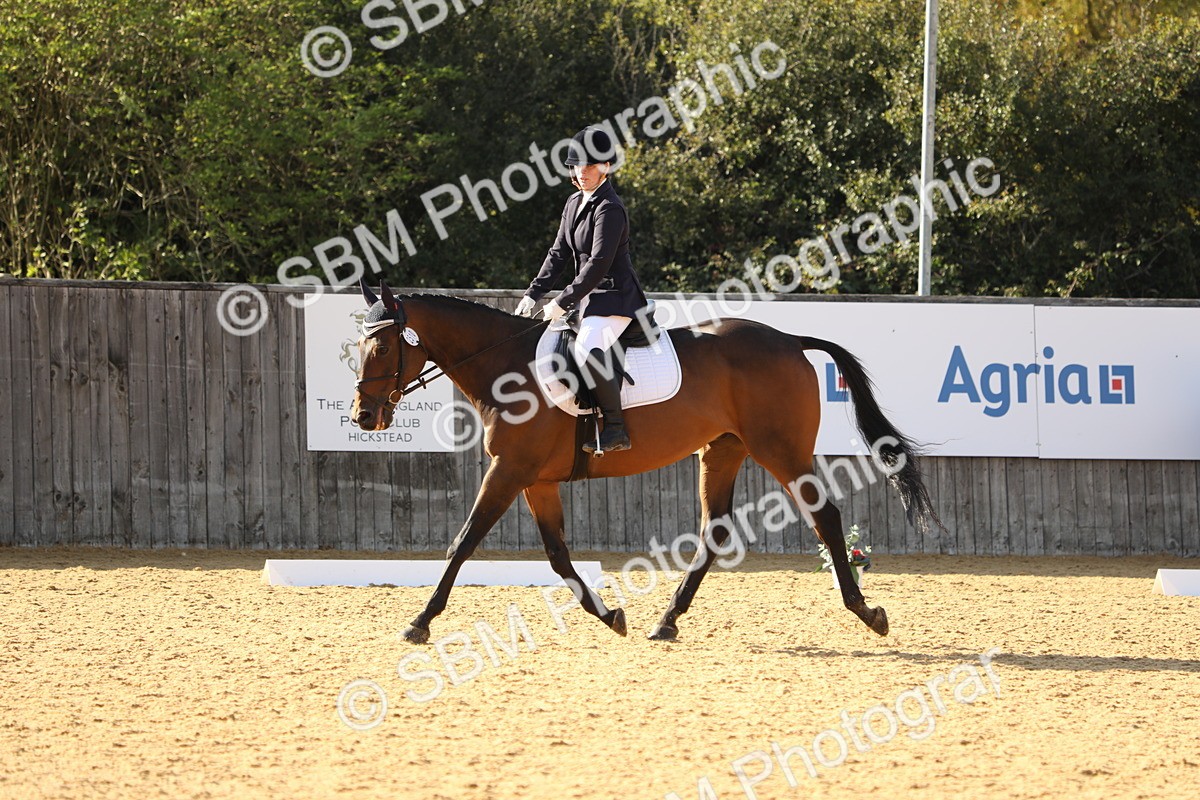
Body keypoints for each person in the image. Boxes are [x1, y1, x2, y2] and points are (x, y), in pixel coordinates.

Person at [515, 126, 650, 453]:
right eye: (578, 166)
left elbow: (599, 263)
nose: (583, 172)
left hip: (616, 299)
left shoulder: (610, 208)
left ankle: (616, 428)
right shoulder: (574, 202)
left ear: (605, 167)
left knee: (588, 348)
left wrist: (561, 300)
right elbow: (559, 253)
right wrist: (533, 293)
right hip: (587, 302)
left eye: (591, 166)